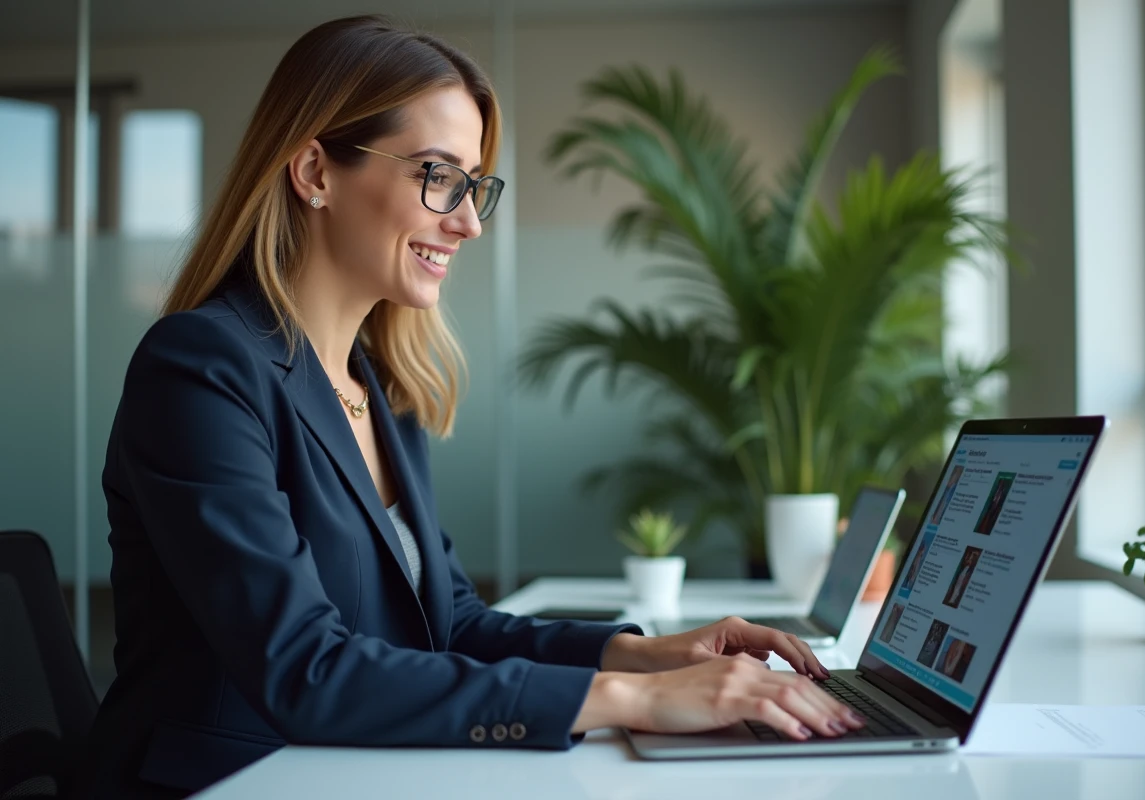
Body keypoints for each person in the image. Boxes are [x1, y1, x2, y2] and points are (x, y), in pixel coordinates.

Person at [72, 16, 860, 799]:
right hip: (228, 784)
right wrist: (633, 702)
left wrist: (647, 656)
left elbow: (450, 622)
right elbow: (303, 669)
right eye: (438, 176)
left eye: (475, 184)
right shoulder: (202, 368)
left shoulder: (378, 386)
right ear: (314, 171)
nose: (469, 220)